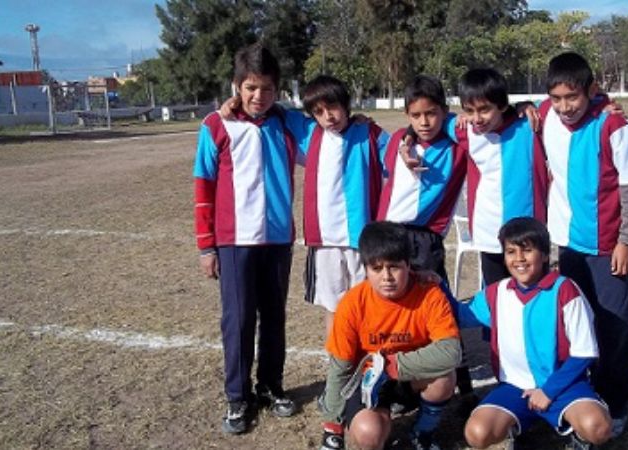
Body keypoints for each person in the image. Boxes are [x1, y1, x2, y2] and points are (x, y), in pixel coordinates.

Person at [192, 42, 303, 434]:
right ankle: (238, 398)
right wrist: (207, 245)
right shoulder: (215, 126)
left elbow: (328, 134)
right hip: (234, 241)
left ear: (278, 89)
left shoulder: (288, 123)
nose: (259, 97)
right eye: (251, 87)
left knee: (273, 317)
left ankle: (271, 386)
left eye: (268, 88)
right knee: (237, 321)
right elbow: (203, 185)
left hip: (277, 240)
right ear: (236, 85)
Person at [538, 51, 628, 437]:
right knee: (576, 324)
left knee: (614, 326)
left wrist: (626, 241)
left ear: (592, 90)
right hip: (566, 244)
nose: (565, 107)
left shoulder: (613, 124)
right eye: (557, 98)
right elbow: (512, 111)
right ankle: (582, 393)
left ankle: (616, 403)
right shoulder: (544, 114)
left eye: (573, 97)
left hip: (606, 246)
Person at [449, 217, 612, 450]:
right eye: (511, 252)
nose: (519, 259)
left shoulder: (565, 290)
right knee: (477, 434)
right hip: (514, 387)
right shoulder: (496, 293)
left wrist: (548, 390)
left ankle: (580, 435)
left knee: (597, 427)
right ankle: (520, 426)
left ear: (545, 255)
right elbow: (458, 316)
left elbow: (584, 352)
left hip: (562, 385)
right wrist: (432, 285)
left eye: (527, 251)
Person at [318, 221, 461, 450]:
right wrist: (332, 427)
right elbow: (340, 367)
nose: (387, 276)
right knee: (368, 433)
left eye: (394, 266)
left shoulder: (429, 293)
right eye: (377, 268)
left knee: (445, 379)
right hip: (369, 382)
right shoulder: (352, 303)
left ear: (408, 265)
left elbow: (450, 352)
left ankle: (423, 432)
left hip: (409, 376)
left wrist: (389, 366)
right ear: (365, 269)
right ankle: (379, 424)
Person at [376, 74, 474, 402]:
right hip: (388, 236)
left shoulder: (458, 144)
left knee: (439, 310)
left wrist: (527, 107)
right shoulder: (396, 143)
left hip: (424, 241)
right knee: (392, 310)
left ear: (443, 111)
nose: (424, 122)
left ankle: (464, 390)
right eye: (415, 116)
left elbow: (486, 116)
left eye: (431, 114)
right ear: (406, 116)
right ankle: (396, 387)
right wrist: (405, 140)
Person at [299, 75, 390, 337]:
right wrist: (234, 102)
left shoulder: (369, 134)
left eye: (333, 107)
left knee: (368, 304)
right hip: (324, 241)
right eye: (319, 112)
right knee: (334, 308)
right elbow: (271, 110)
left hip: (361, 239)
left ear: (346, 104)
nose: (328, 116)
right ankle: (338, 366)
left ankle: (372, 365)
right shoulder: (308, 133)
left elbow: (397, 151)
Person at [452, 68, 549, 285]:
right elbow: (430, 119)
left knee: (535, 297)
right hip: (488, 234)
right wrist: (409, 138)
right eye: (469, 110)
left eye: (484, 109)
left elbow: (570, 97)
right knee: (497, 298)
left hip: (530, 233)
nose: (476, 118)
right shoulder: (463, 129)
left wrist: (524, 104)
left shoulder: (530, 125)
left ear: (503, 105)